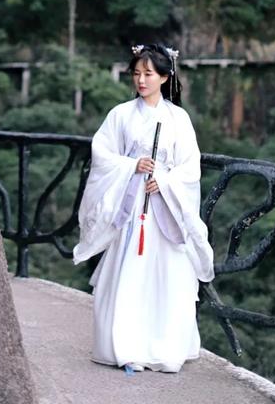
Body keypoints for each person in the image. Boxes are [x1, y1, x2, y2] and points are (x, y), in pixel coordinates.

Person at [72, 43, 215, 373]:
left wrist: (163, 180)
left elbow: (189, 168)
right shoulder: (120, 115)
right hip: (131, 204)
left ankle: (165, 349)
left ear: (165, 77)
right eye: (136, 73)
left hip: (164, 206)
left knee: (166, 276)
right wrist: (132, 165)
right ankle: (126, 348)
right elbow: (103, 156)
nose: (141, 80)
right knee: (130, 272)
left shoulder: (178, 119)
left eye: (148, 74)